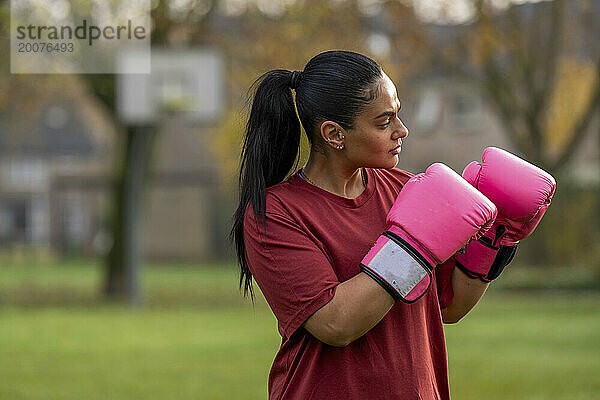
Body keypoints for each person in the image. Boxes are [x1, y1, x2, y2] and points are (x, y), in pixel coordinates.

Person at [229, 50, 555, 400]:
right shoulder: (276, 213)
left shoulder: (405, 188)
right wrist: (412, 245)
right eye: (384, 122)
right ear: (334, 133)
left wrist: (496, 237)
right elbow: (336, 323)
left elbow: (451, 305)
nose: (402, 130)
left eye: (397, 115)